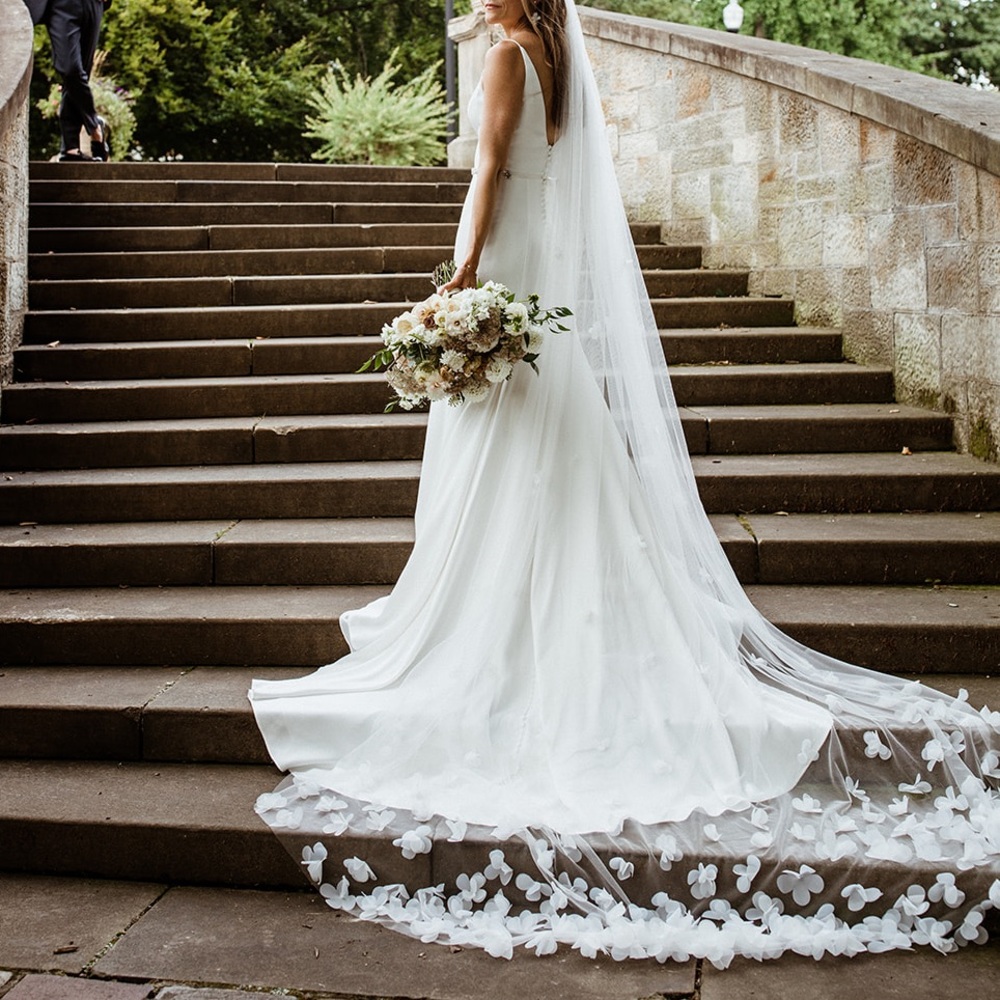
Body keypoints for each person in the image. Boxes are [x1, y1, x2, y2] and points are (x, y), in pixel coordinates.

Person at [249, 0, 1000, 965]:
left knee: (511, 443)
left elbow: (485, 172)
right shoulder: (555, 55)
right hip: (533, 270)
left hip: (503, 263)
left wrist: (458, 275)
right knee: (540, 444)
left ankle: (507, 614)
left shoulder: (510, 56)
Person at [26, 0, 112, 161]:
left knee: (79, 74)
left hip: (93, 4)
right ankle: (94, 126)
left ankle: (70, 148)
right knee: (69, 68)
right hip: (60, 5)